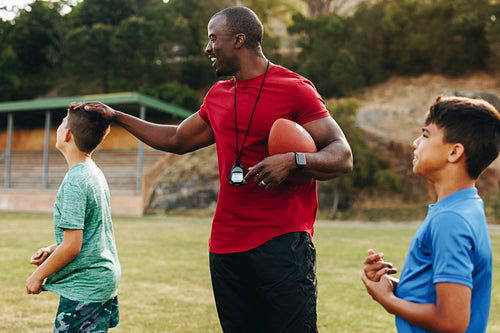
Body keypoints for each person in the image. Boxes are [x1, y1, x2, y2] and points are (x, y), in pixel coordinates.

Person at [83, 6, 352, 332]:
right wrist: (119, 117)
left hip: (282, 242)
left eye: (213, 39)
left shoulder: (295, 89)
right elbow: (176, 138)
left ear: (238, 40)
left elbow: (342, 155)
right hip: (225, 246)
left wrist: (294, 160)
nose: (207, 48)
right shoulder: (218, 96)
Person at [361, 96, 500, 333]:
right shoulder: (465, 206)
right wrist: (393, 286)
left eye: (425, 135)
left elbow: (451, 321)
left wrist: (387, 300)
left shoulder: (451, 220)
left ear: (454, 152)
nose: (415, 143)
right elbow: (440, 295)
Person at [26, 104, 121, 332]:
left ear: (67, 134)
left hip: (86, 287)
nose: (59, 127)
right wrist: (52, 249)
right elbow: (88, 233)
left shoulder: (76, 181)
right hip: (102, 279)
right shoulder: (93, 172)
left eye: (61, 123)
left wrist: (37, 276)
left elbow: (72, 247)